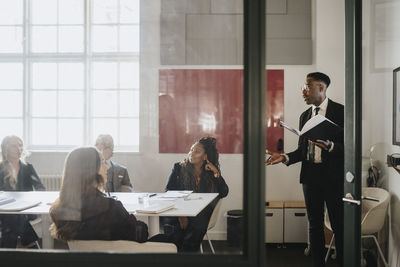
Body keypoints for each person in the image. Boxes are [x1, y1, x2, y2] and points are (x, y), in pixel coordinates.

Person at [266, 72, 344, 267]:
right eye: (304, 85)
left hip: (334, 178)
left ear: (321, 88)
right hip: (310, 178)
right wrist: (284, 157)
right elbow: (303, 151)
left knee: (339, 226)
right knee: (315, 225)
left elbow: (351, 146)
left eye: (308, 85)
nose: (304, 90)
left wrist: (331, 146)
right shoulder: (305, 115)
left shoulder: (342, 112)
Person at [49, 147, 148, 242]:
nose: (107, 167)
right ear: (90, 170)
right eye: (102, 162)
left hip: (83, 258)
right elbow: (140, 234)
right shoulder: (112, 207)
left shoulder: (59, 209)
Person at [162, 137, 229, 252]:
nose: (191, 153)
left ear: (205, 156)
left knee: (198, 222)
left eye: (197, 151)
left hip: (200, 213)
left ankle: (185, 257)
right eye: (191, 149)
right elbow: (169, 192)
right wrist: (181, 214)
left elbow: (224, 192)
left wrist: (216, 173)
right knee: (175, 230)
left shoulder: (210, 171)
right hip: (179, 211)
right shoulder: (178, 168)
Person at [0, 135, 45, 248]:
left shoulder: (28, 168)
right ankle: (32, 246)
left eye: (20, 145)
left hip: (26, 210)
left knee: (15, 219)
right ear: (6, 149)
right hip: (4, 210)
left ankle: (7, 251)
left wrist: (33, 199)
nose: (19, 149)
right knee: (13, 217)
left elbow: (40, 188)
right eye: (14, 146)